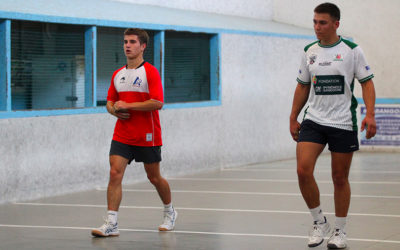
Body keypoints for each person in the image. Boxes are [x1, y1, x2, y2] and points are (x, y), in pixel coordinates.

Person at [289, 3, 376, 249]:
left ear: (336, 24)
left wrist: (370, 114)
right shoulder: (309, 51)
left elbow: (367, 84)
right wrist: (293, 116)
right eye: (315, 22)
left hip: (342, 122)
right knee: (303, 171)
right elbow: (302, 85)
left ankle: (340, 230)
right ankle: (319, 222)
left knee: (339, 178)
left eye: (323, 22)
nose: (317, 27)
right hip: (314, 119)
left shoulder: (352, 50)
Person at [91, 28, 177, 237]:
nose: (127, 45)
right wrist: (114, 111)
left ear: (143, 46)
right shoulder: (117, 74)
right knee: (114, 173)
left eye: (132, 42)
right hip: (122, 134)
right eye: (125, 42)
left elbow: (157, 103)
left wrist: (128, 105)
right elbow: (110, 103)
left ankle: (170, 212)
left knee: (154, 177)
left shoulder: (150, 72)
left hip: (148, 134)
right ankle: (111, 223)